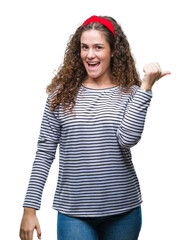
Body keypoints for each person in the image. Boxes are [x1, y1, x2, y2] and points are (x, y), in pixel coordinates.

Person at [19, 15, 170, 240]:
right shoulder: (60, 96)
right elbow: (44, 152)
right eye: (84, 47)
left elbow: (127, 139)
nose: (90, 55)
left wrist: (145, 89)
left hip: (123, 210)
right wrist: (29, 209)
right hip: (74, 213)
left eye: (98, 47)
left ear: (113, 51)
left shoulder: (130, 93)